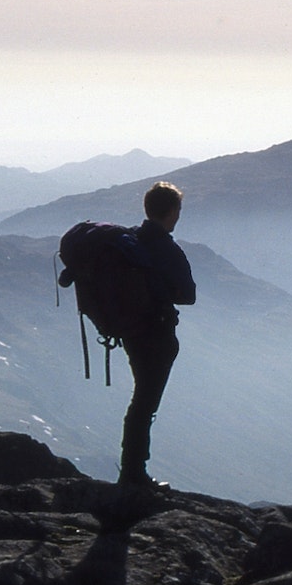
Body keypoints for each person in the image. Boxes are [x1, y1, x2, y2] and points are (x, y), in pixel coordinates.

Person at [118, 181, 196, 487]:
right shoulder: (166, 248)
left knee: (142, 399)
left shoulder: (129, 240)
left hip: (131, 332)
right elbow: (188, 295)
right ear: (173, 212)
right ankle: (133, 472)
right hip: (156, 334)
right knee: (144, 403)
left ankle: (132, 469)